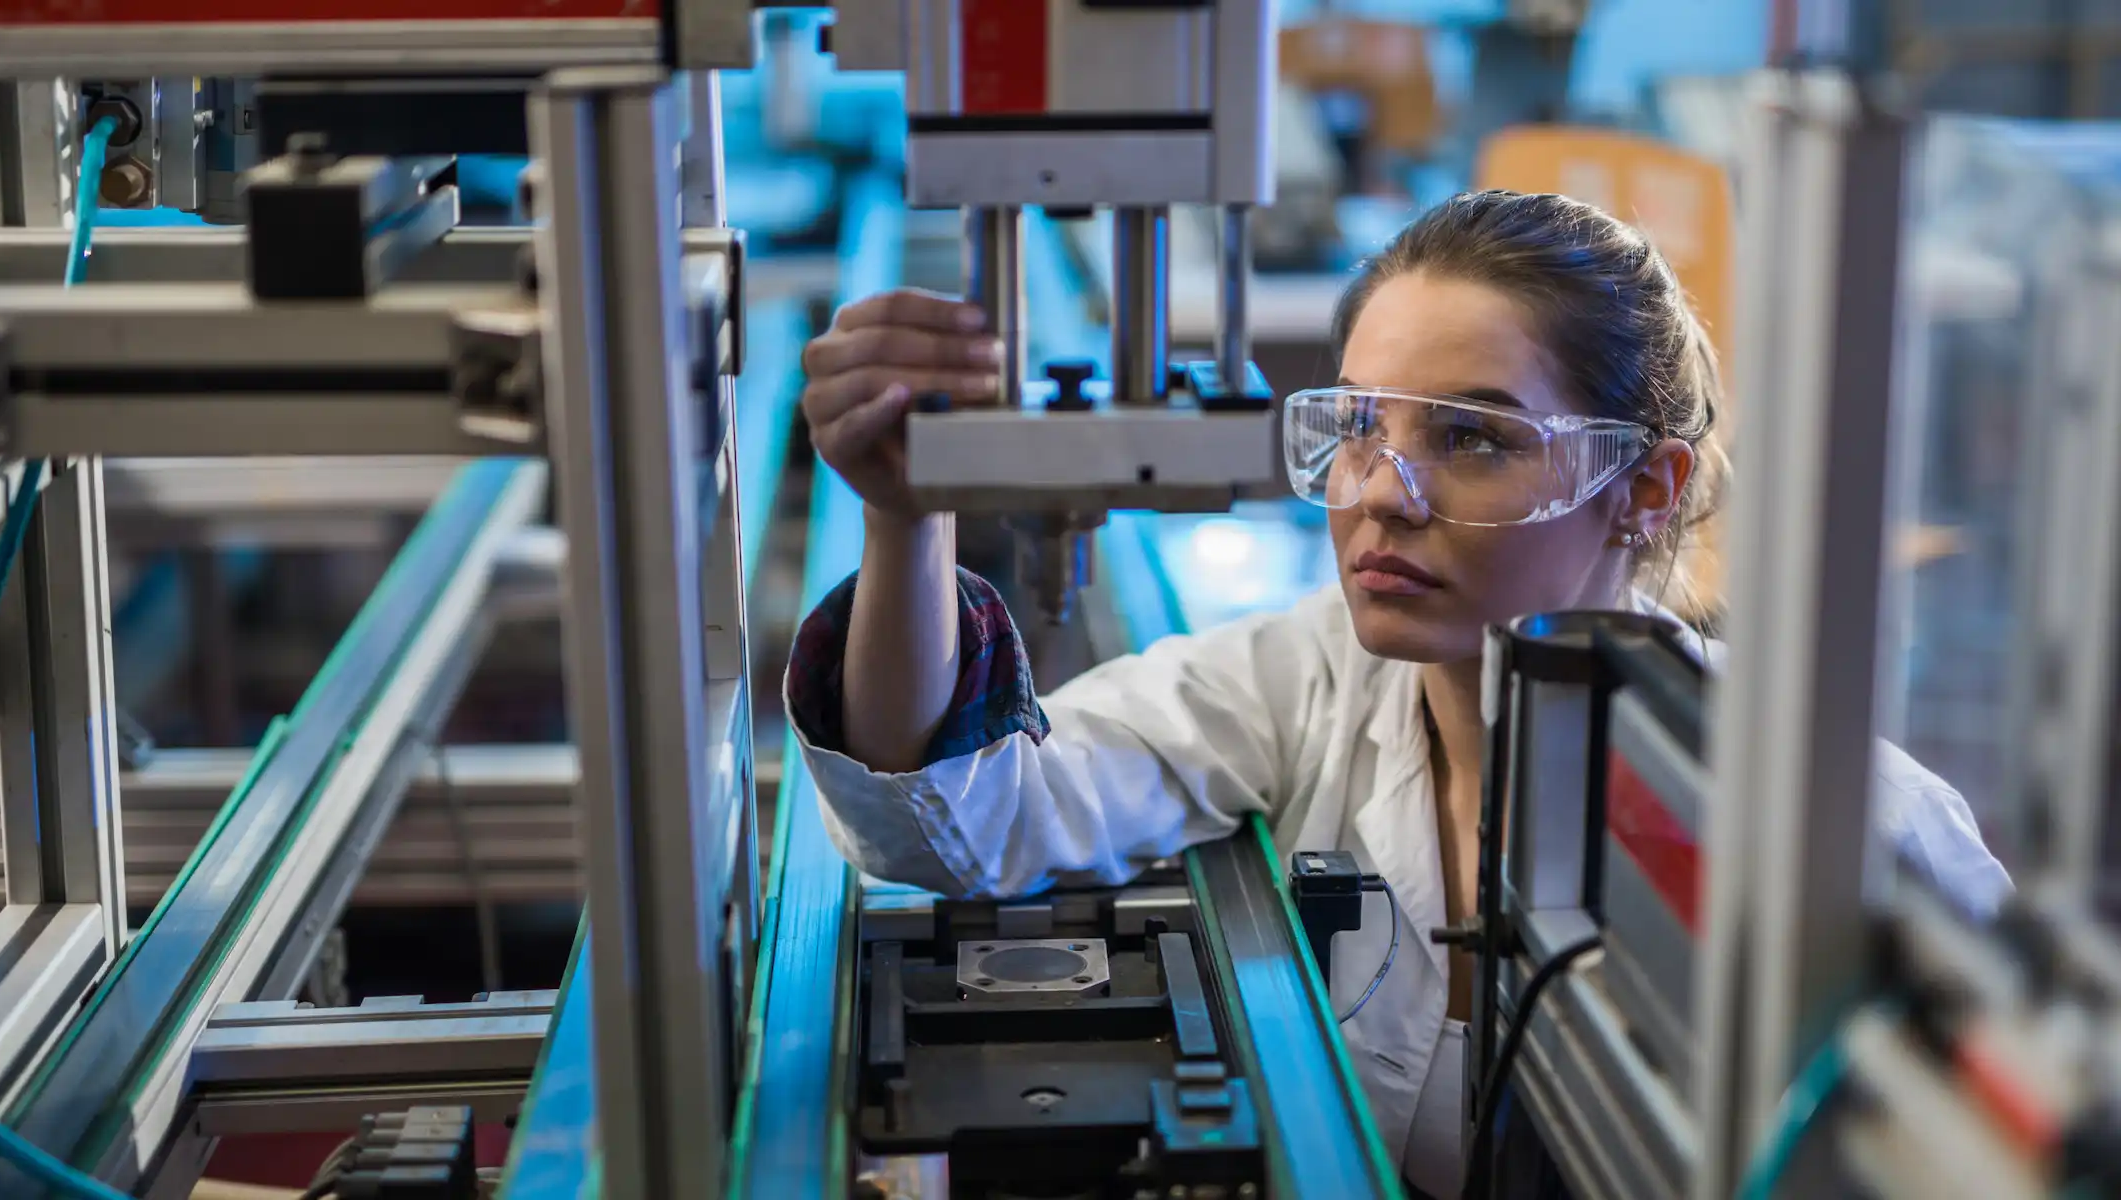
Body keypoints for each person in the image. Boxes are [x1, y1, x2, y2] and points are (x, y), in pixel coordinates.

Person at [784, 190, 2011, 1198]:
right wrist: (908, 517)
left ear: (1643, 488)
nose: (1382, 492)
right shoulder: (1307, 681)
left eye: (1470, 438)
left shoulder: (1862, 838)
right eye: (1360, 429)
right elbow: (960, 820)